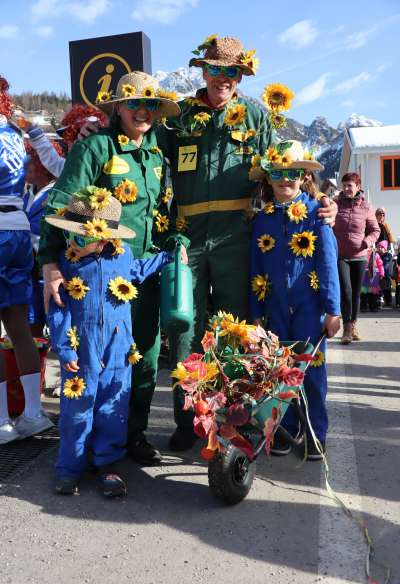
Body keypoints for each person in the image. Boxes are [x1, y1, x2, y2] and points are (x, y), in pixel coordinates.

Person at [79, 35, 338, 452]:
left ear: (241, 75)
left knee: (241, 329)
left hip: (239, 236)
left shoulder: (255, 114)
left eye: (231, 71)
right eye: (215, 70)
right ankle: (188, 421)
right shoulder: (178, 117)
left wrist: (322, 199)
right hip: (188, 238)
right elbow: (140, 139)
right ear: (203, 70)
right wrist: (101, 127)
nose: (223, 79)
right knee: (184, 329)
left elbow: (286, 168)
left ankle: (240, 420)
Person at [38, 71, 182, 465]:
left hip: (143, 274)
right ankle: (82, 450)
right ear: (117, 107)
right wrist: (51, 266)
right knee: (91, 362)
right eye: (134, 103)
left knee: (143, 359)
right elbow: (61, 204)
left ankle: (130, 437)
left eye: (150, 104)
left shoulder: (156, 154)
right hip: (98, 274)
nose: (142, 111)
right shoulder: (95, 147)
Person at [45, 189, 173, 496]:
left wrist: (169, 256)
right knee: (76, 410)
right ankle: (69, 467)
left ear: (104, 238)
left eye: (79, 237)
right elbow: (58, 311)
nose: (72, 243)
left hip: (117, 348)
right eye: (70, 236)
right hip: (81, 349)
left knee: (112, 408)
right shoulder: (66, 263)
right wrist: (64, 348)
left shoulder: (122, 256)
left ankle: (107, 464)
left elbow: (140, 270)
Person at [249, 140, 341, 459]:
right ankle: (286, 431)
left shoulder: (318, 214)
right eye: (277, 172)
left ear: (303, 177)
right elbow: (256, 268)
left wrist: (333, 310)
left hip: (310, 310)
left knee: (311, 376)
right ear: (268, 178)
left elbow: (328, 264)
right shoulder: (263, 219)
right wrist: (256, 312)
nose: (284, 180)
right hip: (275, 311)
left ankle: (316, 433)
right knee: (279, 374)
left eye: (292, 173)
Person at [0, 75, 53, 443]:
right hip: (18, 229)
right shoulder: (15, 131)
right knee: (18, 329)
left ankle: (2, 421)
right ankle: (33, 415)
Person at [333, 172, 380, 344]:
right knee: (345, 291)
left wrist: (366, 242)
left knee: (356, 293)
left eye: (349, 186)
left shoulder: (366, 207)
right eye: (344, 185)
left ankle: (353, 325)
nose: (346, 189)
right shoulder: (336, 205)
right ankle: (346, 329)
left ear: (357, 187)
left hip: (359, 256)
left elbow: (376, 230)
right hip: (341, 256)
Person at [24, 141, 64, 337]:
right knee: (30, 329)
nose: (25, 167)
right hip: (27, 274)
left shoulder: (56, 194)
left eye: (30, 164)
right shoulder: (27, 195)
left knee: (50, 330)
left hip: (47, 272)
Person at [360, 246, 384, 312]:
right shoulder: (362, 253)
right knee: (364, 293)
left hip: (373, 275)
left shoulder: (375, 254)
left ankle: (373, 307)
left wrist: (382, 273)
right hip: (364, 275)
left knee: (373, 293)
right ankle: (363, 307)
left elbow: (380, 264)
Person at [376, 240, 394, 307]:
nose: (379, 248)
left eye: (381, 247)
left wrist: (379, 269)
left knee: (387, 289)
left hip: (386, 275)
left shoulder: (388, 255)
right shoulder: (378, 255)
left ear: (385, 248)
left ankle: (388, 301)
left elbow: (385, 266)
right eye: (378, 247)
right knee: (379, 289)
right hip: (379, 275)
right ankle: (380, 302)